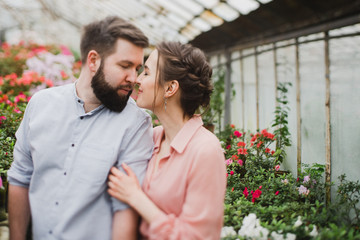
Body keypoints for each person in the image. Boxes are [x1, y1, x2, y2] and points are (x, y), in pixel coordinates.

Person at [7, 16, 154, 240]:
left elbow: (124, 208)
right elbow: (20, 179)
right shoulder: (40, 104)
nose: (133, 78)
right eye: (125, 66)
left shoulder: (135, 124)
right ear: (93, 60)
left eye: (137, 68)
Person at [108, 41, 227, 240]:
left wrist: (136, 198)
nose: (137, 79)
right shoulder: (153, 136)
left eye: (146, 72)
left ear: (170, 87)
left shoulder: (205, 150)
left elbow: (196, 237)